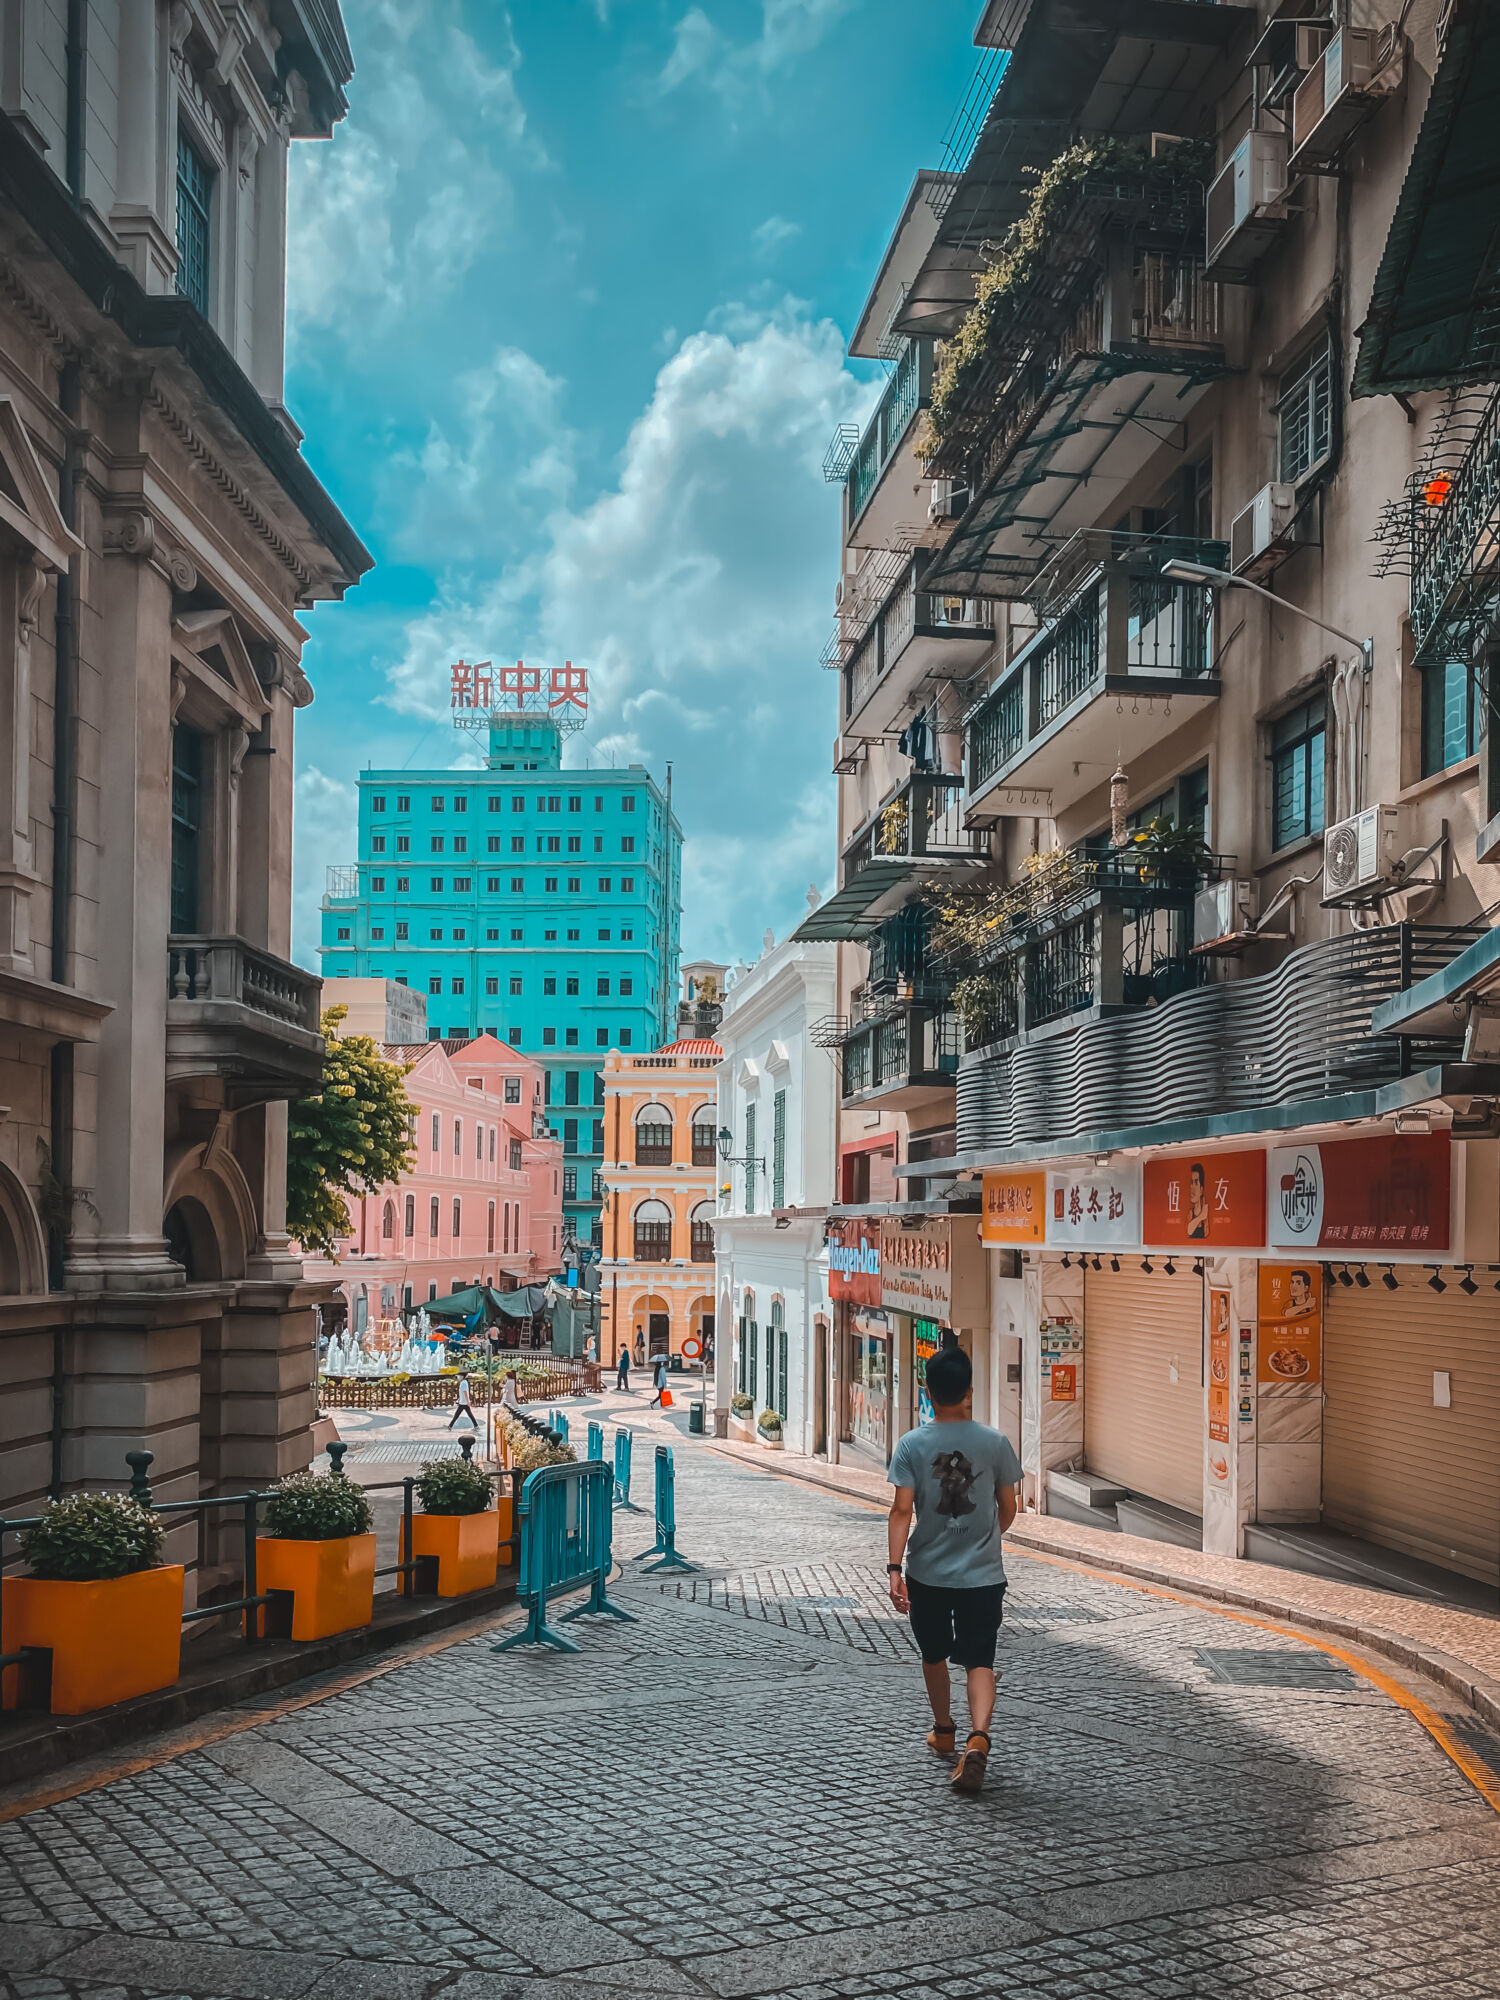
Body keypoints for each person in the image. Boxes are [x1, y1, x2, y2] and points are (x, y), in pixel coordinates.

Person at [887, 1345, 1021, 1797]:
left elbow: (901, 1512)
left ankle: (944, 1729)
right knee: (980, 1659)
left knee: (934, 1653)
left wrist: (893, 1569)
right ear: (969, 1390)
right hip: (983, 1576)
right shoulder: (996, 1443)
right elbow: (1008, 1508)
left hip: (927, 1573)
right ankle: (978, 1736)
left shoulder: (911, 1445)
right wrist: (984, 1538)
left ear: (927, 1390)